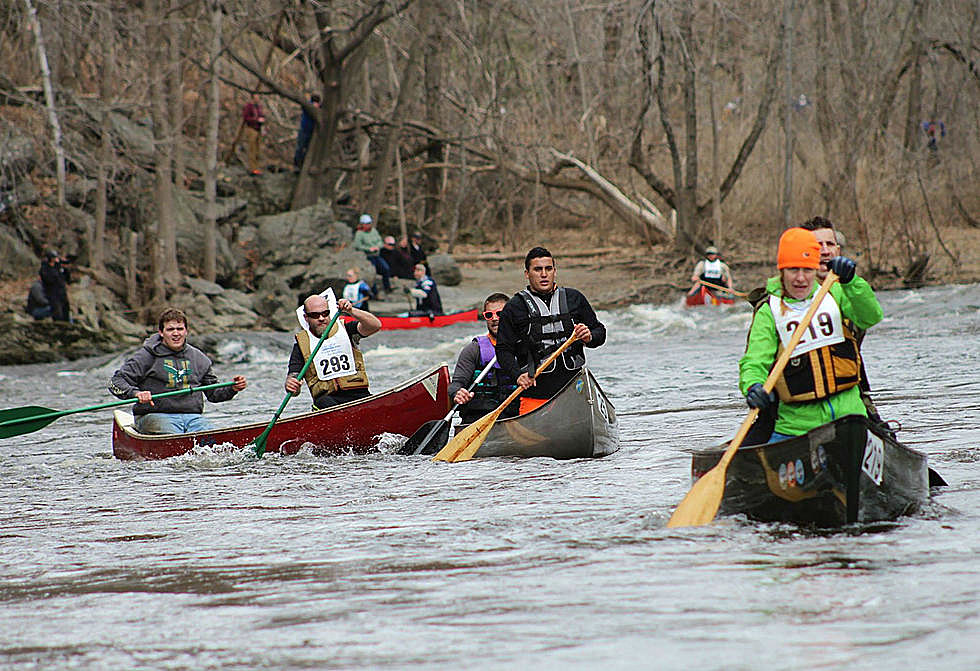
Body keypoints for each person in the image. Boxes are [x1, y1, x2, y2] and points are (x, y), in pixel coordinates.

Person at [738, 227, 883, 442]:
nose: (800, 279)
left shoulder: (835, 292)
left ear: (816, 269)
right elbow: (754, 362)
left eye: (807, 270)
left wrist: (852, 281)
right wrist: (753, 386)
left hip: (851, 417)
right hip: (796, 427)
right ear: (781, 271)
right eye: (793, 270)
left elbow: (871, 316)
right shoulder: (769, 311)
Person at [495, 246, 606, 414]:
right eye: (538, 269)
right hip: (536, 393)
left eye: (548, 269)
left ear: (555, 271)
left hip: (574, 389)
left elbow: (600, 332)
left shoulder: (574, 298)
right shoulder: (514, 307)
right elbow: (503, 350)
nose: (544, 274)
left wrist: (589, 336)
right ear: (527, 274)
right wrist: (517, 375)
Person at [107, 308, 247, 435]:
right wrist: (136, 393)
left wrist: (232, 388)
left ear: (186, 331)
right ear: (161, 333)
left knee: (212, 437)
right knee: (175, 436)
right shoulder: (145, 356)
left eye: (180, 329)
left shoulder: (199, 358)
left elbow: (214, 394)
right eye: (170, 329)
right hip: (155, 416)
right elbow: (116, 382)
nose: (176, 333)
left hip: (193, 418)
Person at [284, 294, 382, 409]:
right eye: (315, 315)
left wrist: (351, 311)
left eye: (325, 313)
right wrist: (291, 384)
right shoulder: (301, 345)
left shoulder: (346, 330)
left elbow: (375, 326)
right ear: (306, 318)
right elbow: (294, 382)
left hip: (358, 395)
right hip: (327, 401)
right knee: (324, 403)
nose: (321, 318)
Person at [448, 293, 519, 424]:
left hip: (515, 415)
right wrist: (458, 393)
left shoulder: (523, 347)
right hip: (480, 417)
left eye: (499, 314)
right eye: (489, 315)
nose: (494, 319)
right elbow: (456, 384)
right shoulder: (473, 350)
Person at [352, 214, 392, 294]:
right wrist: (368, 249)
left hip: (376, 255)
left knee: (386, 268)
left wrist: (377, 247)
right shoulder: (359, 234)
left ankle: (387, 288)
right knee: (372, 273)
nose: (368, 225)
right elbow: (357, 245)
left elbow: (380, 241)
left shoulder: (374, 231)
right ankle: (374, 292)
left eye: (369, 223)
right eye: (366, 224)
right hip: (367, 256)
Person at [39, 250, 71, 322]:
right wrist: (56, 276)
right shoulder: (45, 268)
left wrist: (64, 268)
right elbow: (48, 280)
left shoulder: (58, 267)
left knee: (66, 310)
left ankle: (67, 324)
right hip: (52, 294)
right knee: (57, 312)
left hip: (62, 292)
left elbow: (67, 278)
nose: (55, 259)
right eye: (53, 257)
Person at [293, 94, 320, 171]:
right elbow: (304, 107)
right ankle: (297, 165)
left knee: (308, 149)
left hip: (312, 131)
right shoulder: (307, 105)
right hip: (304, 129)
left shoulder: (319, 107)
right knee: (300, 148)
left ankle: (304, 164)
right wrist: (312, 106)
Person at [242, 93, 265, 175]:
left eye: (258, 97)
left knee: (258, 149)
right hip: (251, 129)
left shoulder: (258, 107)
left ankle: (257, 167)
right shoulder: (249, 107)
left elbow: (262, 115)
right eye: (256, 97)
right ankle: (252, 169)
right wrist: (256, 120)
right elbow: (246, 118)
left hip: (258, 129)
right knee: (252, 148)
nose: (257, 99)